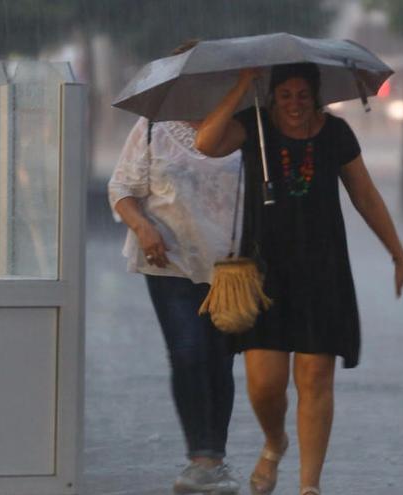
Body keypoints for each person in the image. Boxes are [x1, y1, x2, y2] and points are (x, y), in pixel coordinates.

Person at [194, 63, 403, 495]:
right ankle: (275, 442)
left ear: (315, 97)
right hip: (264, 274)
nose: (294, 104)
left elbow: (365, 195)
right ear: (272, 96)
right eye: (285, 95)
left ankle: (309, 486)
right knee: (265, 385)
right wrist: (243, 85)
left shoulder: (336, 134)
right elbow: (205, 143)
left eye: (302, 95)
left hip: (323, 272)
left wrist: (398, 255)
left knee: (315, 377)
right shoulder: (252, 125)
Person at [108, 41, 244, 495]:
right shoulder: (152, 126)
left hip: (229, 266)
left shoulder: (246, 126)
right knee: (187, 352)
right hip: (169, 262)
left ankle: (216, 457)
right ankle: (200, 458)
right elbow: (122, 188)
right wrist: (143, 227)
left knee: (219, 359)